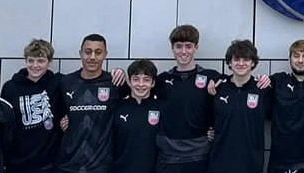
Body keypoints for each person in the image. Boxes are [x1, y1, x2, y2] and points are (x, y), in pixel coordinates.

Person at [154, 24, 223, 173]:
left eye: (188, 46)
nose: (183, 51)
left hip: (199, 155)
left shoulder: (212, 77)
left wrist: (263, 81)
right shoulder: (161, 80)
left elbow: (235, 93)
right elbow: (136, 90)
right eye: (179, 46)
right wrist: (119, 73)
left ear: (196, 47)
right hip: (169, 156)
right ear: (172, 48)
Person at [57, 33, 123, 173]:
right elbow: (56, 113)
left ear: (105, 54)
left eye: (98, 52)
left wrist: (123, 73)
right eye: (88, 52)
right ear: (80, 53)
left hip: (102, 166)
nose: (92, 57)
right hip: (68, 165)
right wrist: (61, 120)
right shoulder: (66, 82)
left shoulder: (115, 83)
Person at [0, 39, 64, 173]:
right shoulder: (10, 88)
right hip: (18, 163)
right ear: (25, 61)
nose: (35, 65)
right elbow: (5, 125)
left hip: (50, 164)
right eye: (31, 60)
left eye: (40, 61)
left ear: (49, 62)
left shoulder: (58, 83)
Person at [207, 39, 270, 173]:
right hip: (220, 162)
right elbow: (207, 117)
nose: (241, 63)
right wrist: (207, 130)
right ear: (229, 62)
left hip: (251, 163)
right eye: (236, 59)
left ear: (253, 62)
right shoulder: (218, 88)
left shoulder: (263, 89)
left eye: (246, 59)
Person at [268, 39, 304, 173]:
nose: (300, 60)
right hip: (280, 163)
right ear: (290, 58)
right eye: (296, 55)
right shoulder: (277, 81)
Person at [111, 59, 162, 173]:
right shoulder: (117, 108)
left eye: (146, 80)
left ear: (153, 83)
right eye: (136, 79)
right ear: (129, 82)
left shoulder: (161, 109)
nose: (140, 84)